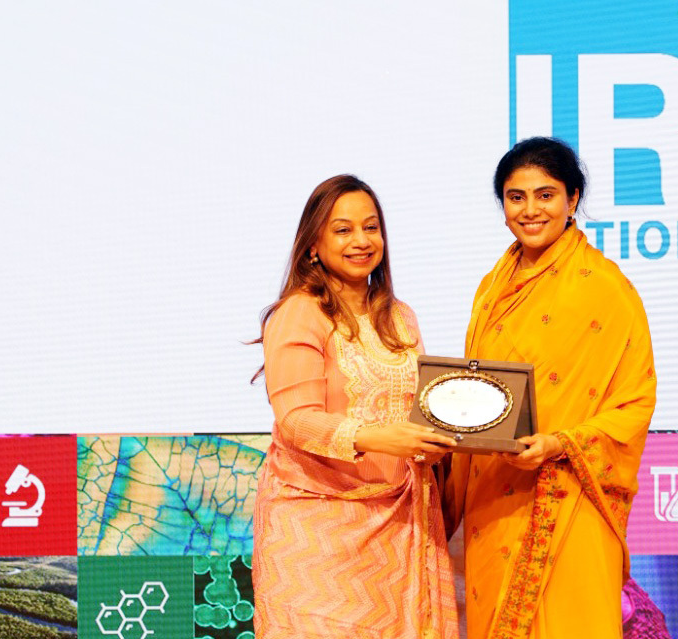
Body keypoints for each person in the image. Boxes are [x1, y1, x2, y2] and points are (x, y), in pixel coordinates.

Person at [444, 138, 657, 639]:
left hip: (570, 497)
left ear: (573, 199)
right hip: (494, 498)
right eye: (516, 197)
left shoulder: (605, 288)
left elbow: (634, 402)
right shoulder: (493, 285)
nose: (530, 209)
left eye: (546, 195)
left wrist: (559, 444)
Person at [251, 174, 459, 639]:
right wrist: (383, 438)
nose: (362, 241)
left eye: (371, 227)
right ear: (313, 245)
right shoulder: (298, 313)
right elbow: (296, 422)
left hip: (399, 525)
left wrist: (437, 440)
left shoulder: (400, 316)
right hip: (315, 531)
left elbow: (419, 406)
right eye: (343, 230)